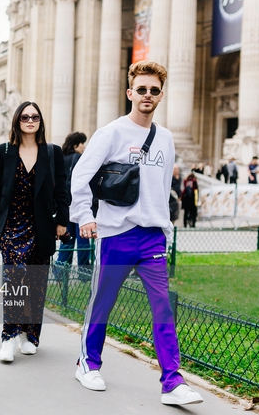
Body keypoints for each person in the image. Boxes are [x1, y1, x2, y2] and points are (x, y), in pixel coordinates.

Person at [69, 61, 203, 405]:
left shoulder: (166, 138)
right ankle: (88, 363)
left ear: (160, 95)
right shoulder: (112, 132)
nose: (147, 95)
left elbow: (161, 188)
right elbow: (81, 175)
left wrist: (166, 230)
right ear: (130, 93)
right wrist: (84, 215)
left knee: (163, 309)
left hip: (153, 237)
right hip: (116, 235)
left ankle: (172, 383)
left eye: (153, 90)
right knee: (102, 303)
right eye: (141, 89)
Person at [0, 102, 68, 363]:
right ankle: (8, 337)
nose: (30, 120)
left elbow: (62, 191)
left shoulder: (52, 152)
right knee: (14, 282)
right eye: (24, 117)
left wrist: (62, 221)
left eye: (35, 117)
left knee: (36, 284)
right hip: (11, 226)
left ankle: (29, 336)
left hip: (41, 226)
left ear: (41, 121)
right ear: (17, 121)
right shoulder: (5, 151)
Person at [54, 131, 91, 281]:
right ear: (76, 145)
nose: (84, 147)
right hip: (77, 204)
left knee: (67, 239)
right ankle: (84, 273)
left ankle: (60, 270)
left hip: (64, 205)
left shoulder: (62, 158)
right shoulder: (78, 159)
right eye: (82, 144)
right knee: (83, 240)